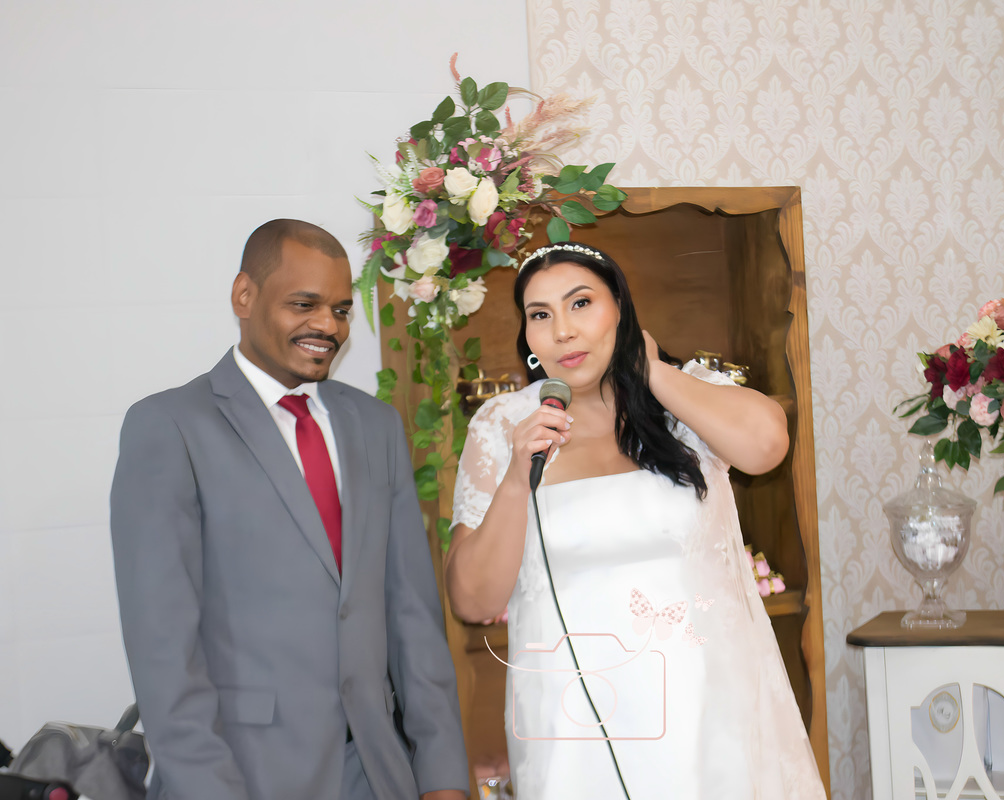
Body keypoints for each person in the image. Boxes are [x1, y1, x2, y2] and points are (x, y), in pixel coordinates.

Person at [446, 243, 827, 799]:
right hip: (574, 725)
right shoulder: (504, 422)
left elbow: (767, 445)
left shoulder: (684, 401)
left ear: (621, 309)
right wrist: (513, 477)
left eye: (581, 304)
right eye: (541, 315)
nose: (563, 332)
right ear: (527, 336)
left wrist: (652, 371)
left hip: (710, 709)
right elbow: (473, 601)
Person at [110, 219, 469, 800]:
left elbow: (412, 616)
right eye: (304, 304)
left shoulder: (375, 425)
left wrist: (443, 778)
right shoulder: (169, 427)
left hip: (377, 773)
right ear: (244, 296)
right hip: (244, 774)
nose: (327, 326)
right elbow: (163, 651)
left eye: (341, 310)